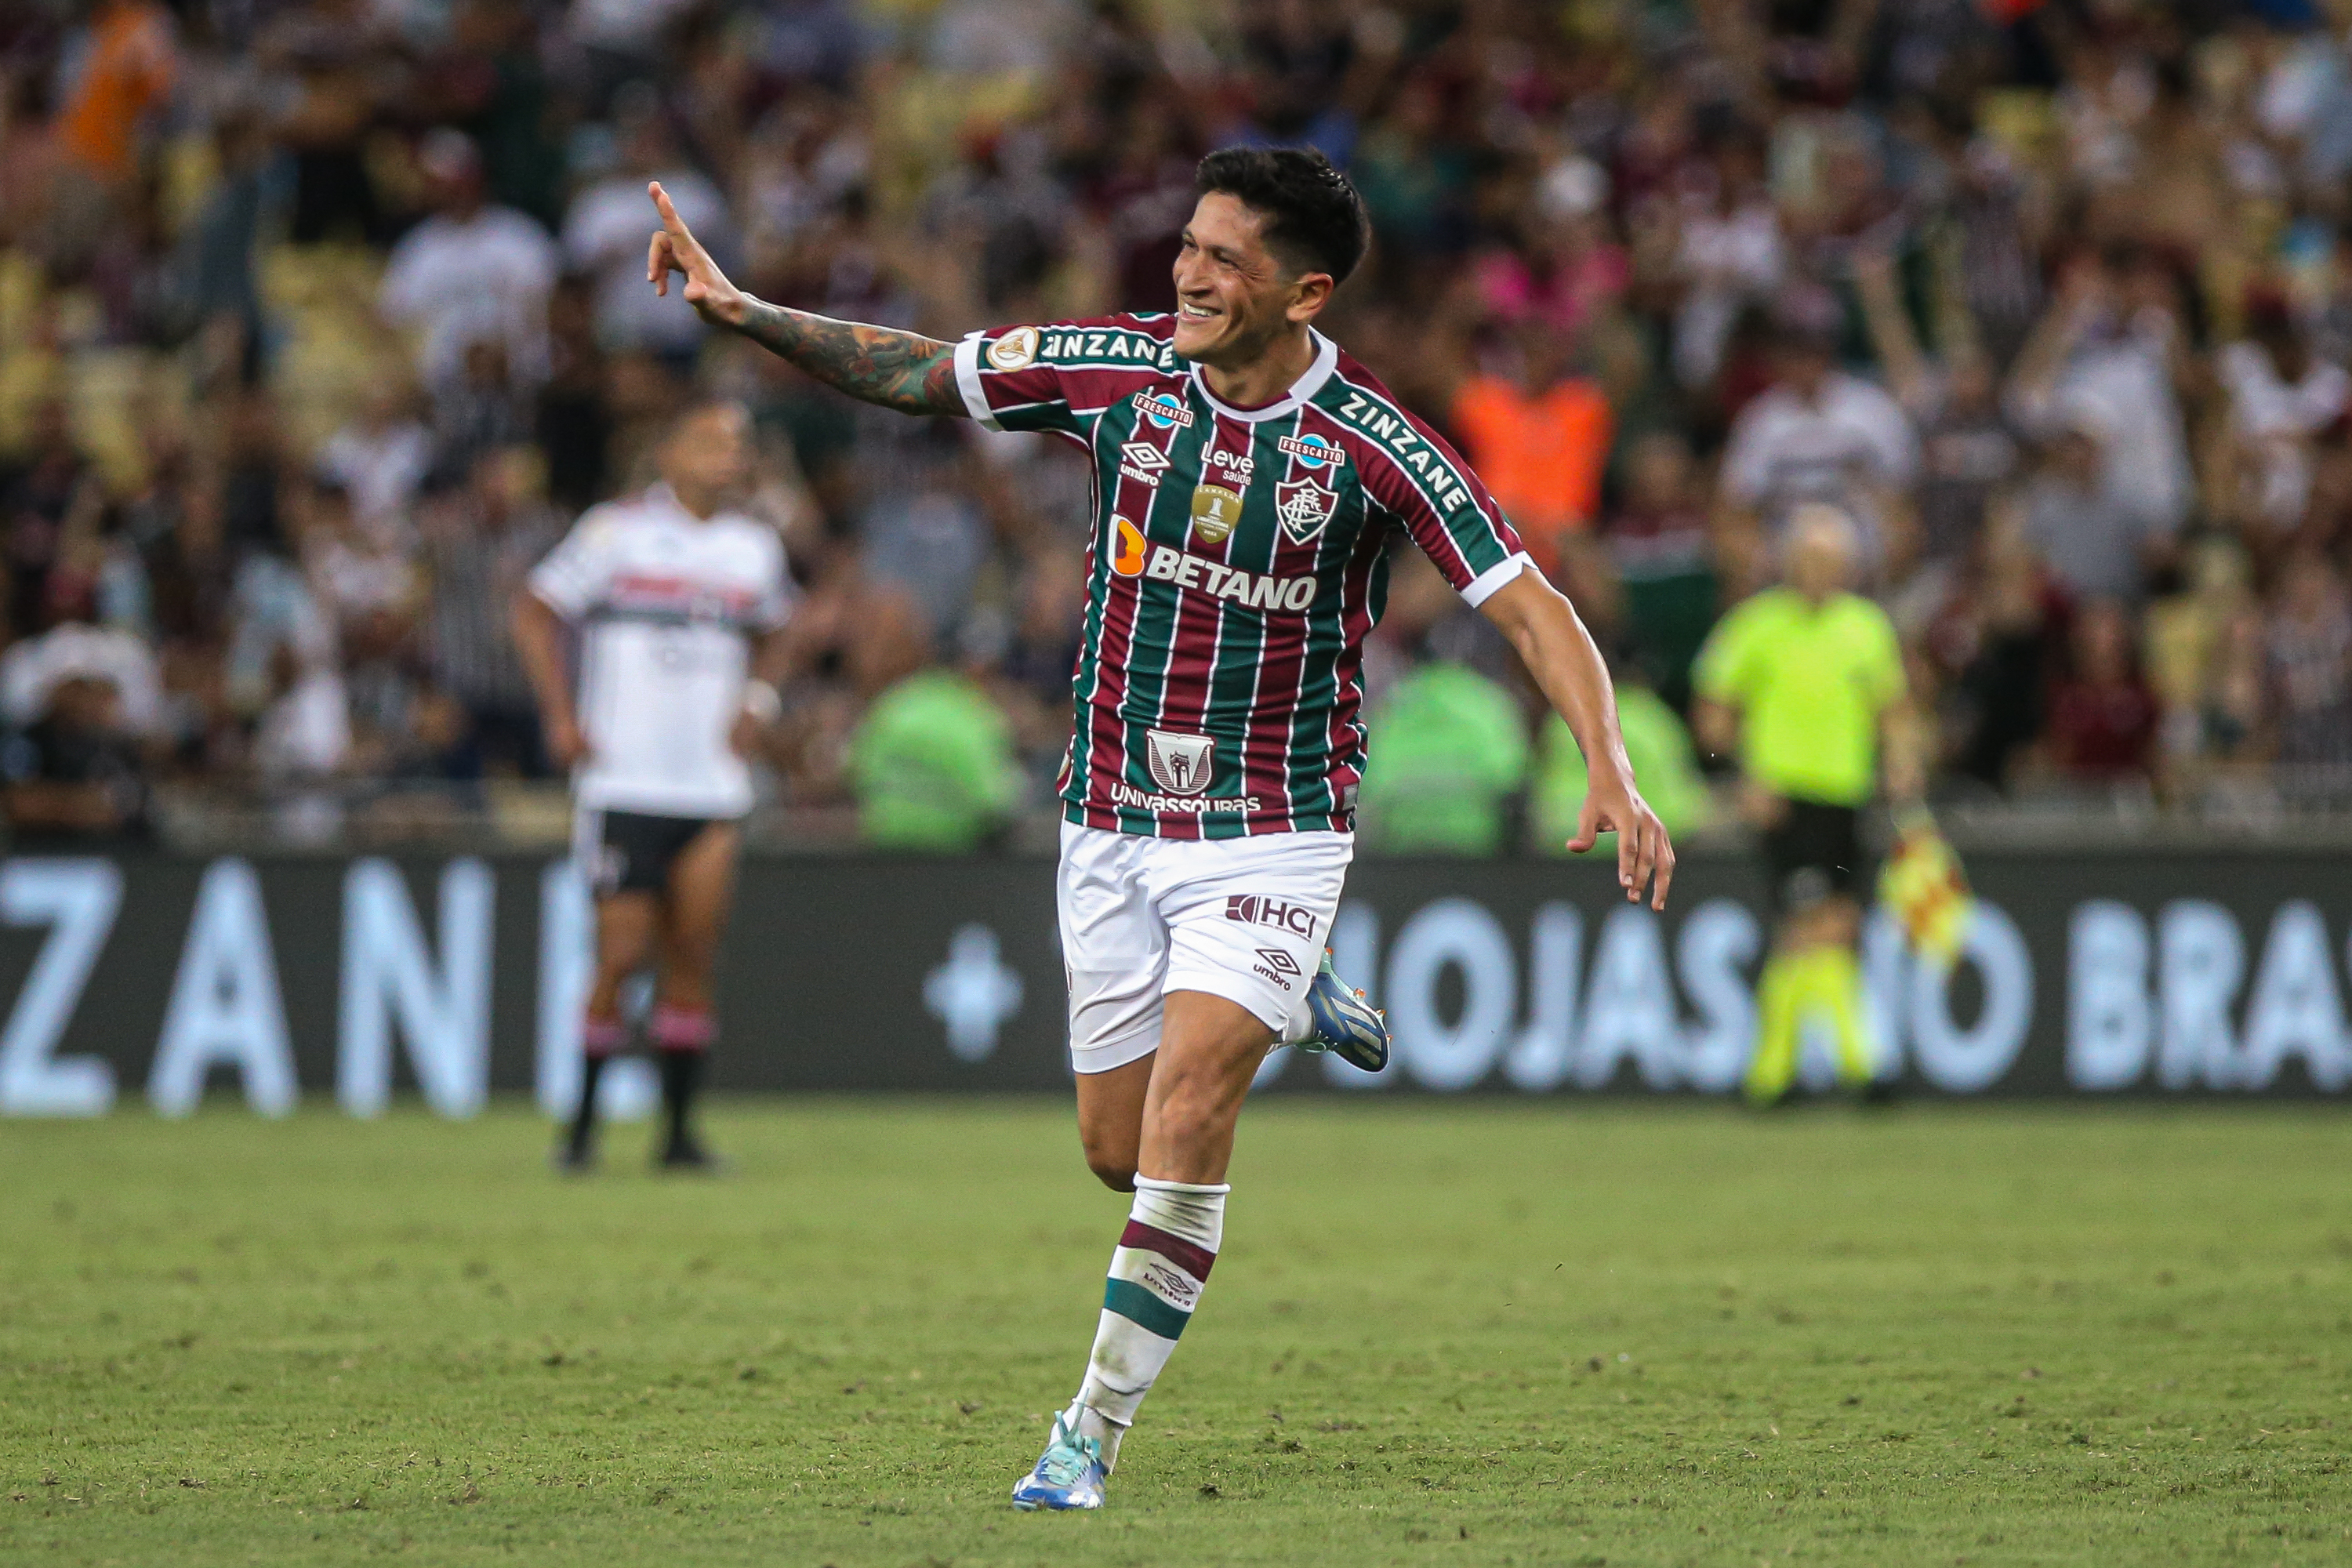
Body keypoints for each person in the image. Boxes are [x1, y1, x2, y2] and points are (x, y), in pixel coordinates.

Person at [643, 144, 1672, 1512]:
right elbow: (919, 366)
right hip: (1111, 814)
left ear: (1304, 292)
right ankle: (1298, 995)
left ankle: (1088, 1432)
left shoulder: (1372, 444)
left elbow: (1531, 602)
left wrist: (1608, 758)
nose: (1188, 271)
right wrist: (748, 311)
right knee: (1116, 1152)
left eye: (1225, 257)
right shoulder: (1113, 368)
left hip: (1274, 825)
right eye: (1187, 244)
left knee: (1189, 1118)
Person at [511, 401, 794, 1173]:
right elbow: (535, 610)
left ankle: (676, 1135)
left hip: (711, 786)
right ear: (667, 451)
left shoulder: (753, 548)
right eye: (708, 440)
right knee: (621, 954)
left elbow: (782, 630)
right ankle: (580, 1131)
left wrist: (758, 701)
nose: (725, 457)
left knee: (693, 953)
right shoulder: (616, 533)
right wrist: (561, 715)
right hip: (624, 777)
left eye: (736, 444)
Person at [1693, 504, 1918, 1108]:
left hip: (1848, 797)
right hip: (1785, 798)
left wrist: (1901, 763)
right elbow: (1712, 713)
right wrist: (1742, 778)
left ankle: (1770, 1076)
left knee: (1821, 928)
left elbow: (1892, 711)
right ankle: (1860, 1065)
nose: (1821, 571)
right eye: (1810, 559)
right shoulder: (1756, 626)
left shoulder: (1866, 627)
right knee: (1820, 923)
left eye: (1832, 560)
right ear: (1790, 563)